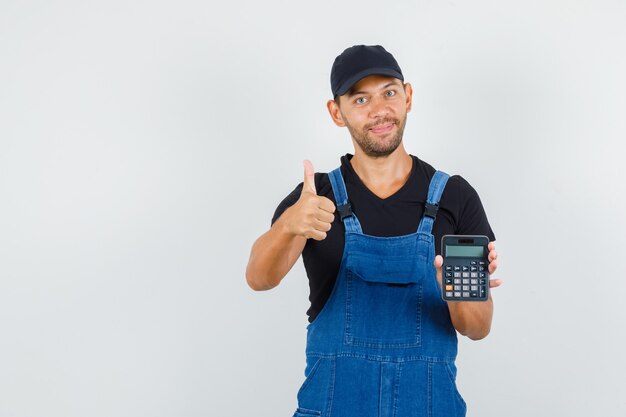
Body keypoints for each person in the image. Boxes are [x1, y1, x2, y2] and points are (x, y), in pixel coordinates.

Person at [246, 45, 502, 417]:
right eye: (360, 98)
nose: (379, 110)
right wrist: (289, 224)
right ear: (337, 112)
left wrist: (457, 291)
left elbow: (478, 329)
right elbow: (258, 278)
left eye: (389, 92)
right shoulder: (315, 198)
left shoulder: (454, 196)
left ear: (408, 96)